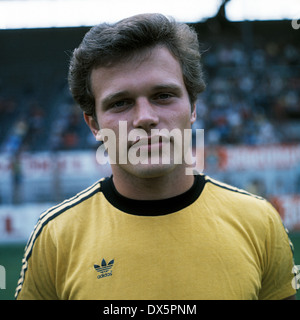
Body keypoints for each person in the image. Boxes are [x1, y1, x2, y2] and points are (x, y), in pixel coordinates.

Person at [15, 13, 297, 300]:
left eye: (163, 95)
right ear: (94, 125)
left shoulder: (260, 222)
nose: (145, 118)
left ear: (193, 107)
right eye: (120, 103)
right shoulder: (54, 237)